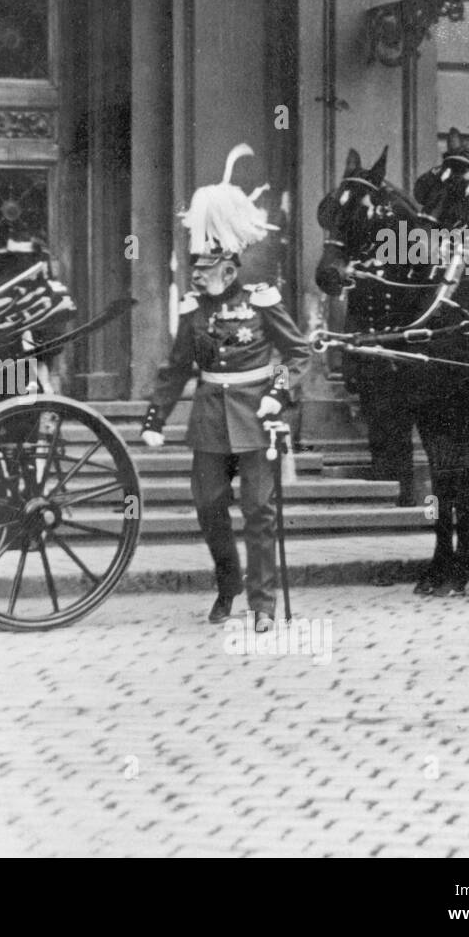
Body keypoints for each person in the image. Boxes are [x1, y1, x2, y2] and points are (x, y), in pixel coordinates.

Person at [141, 155, 311, 632]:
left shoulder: (261, 300)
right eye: (196, 265)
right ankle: (227, 583)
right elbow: (176, 368)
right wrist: (156, 418)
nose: (198, 273)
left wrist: (280, 392)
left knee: (259, 511)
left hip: (257, 415)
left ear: (230, 268)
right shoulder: (194, 309)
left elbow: (298, 352)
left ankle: (263, 604)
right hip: (211, 418)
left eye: (207, 266)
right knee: (209, 506)